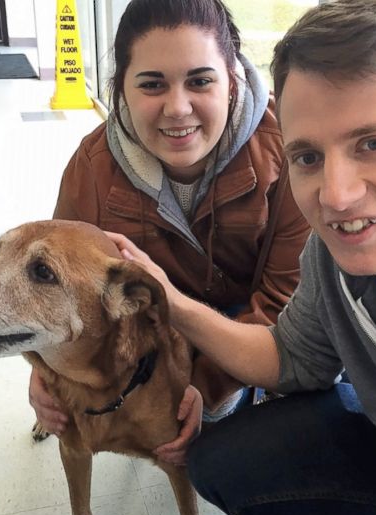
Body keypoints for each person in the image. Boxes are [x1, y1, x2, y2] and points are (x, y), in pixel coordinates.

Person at [106, 0, 376, 515]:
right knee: (225, 464)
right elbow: (294, 359)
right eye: (308, 156)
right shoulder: (330, 253)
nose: (337, 196)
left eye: (373, 143)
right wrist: (170, 301)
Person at [29, 0, 310, 439]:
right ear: (120, 88)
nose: (178, 108)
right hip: (148, 326)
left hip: (247, 320)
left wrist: (205, 388)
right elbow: (54, 286)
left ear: (232, 81)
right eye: (152, 84)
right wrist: (44, 372)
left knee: (222, 449)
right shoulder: (91, 166)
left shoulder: (290, 151)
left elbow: (286, 299)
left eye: (200, 81)